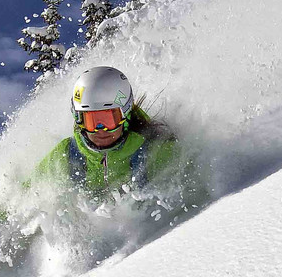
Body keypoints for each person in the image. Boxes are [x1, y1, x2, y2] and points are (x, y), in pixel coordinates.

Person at [34, 65, 197, 200]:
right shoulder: (67, 156)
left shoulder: (156, 152)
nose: (100, 130)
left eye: (108, 119)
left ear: (125, 115)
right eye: (91, 121)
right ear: (79, 120)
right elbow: (28, 193)